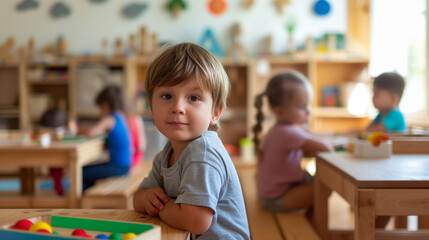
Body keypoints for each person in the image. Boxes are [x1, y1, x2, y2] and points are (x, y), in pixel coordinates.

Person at [133, 43, 250, 239]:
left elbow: (196, 221)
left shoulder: (202, 152)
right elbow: (137, 198)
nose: (178, 107)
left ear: (215, 113)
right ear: (151, 107)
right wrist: (147, 198)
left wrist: (161, 207)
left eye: (193, 98)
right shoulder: (166, 154)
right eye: (167, 96)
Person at [253, 71, 333, 216]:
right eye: (302, 107)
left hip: (273, 192)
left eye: (308, 105)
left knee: (315, 180)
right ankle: (314, 225)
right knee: (325, 185)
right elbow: (326, 148)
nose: (308, 111)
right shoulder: (287, 132)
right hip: (277, 197)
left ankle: (311, 221)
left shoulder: (279, 129)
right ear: (280, 111)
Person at [81, 85, 132, 191]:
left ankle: (83, 201)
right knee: (87, 171)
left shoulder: (110, 119)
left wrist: (77, 129)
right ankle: (88, 199)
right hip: (124, 165)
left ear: (105, 105)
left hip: (118, 167)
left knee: (81, 172)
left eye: (100, 108)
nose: (100, 112)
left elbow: (90, 132)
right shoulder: (121, 117)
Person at [39, 107, 68, 195]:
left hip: (54, 154)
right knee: (55, 165)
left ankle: (58, 182)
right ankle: (58, 182)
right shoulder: (62, 130)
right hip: (56, 154)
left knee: (55, 165)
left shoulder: (44, 130)